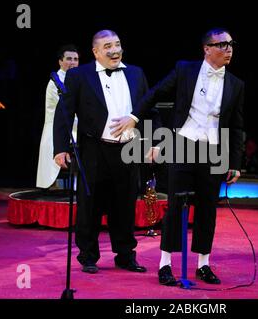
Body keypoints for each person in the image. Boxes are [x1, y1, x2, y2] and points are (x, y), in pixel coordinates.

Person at [111, 28, 244, 285]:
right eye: (222, 44)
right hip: (183, 144)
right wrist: (134, 117)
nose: (229, 49)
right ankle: (165, 263)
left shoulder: (236, 84)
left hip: (214, 151)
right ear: (207, 48)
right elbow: (156, 93)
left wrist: (235, 163)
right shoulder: (185, 70)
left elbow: (237, 126)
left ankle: (203, 265)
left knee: (207, 209)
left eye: (231, 44)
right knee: (175, 206)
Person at [53, 30, 148, 274]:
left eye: (117, 44)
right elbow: (64, 112)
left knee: (125, 204)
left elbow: (149, 109)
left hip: (128, 149)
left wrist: (151, 143)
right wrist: (61, 148)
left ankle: (125, 255)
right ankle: (88, 255)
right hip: (93, 148)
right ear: (96, 51)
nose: (114, 50)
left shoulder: (136, 73)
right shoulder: (79, 75)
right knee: (90, 204)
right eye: (107, 46)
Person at [36, 44, 79, 189]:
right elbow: (66, 112)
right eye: (69, 59)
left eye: (75, 59)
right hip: (57, 130)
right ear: (60, 61)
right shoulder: (55, 83)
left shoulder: (77, 80)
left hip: (75, 127)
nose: (72, 62)